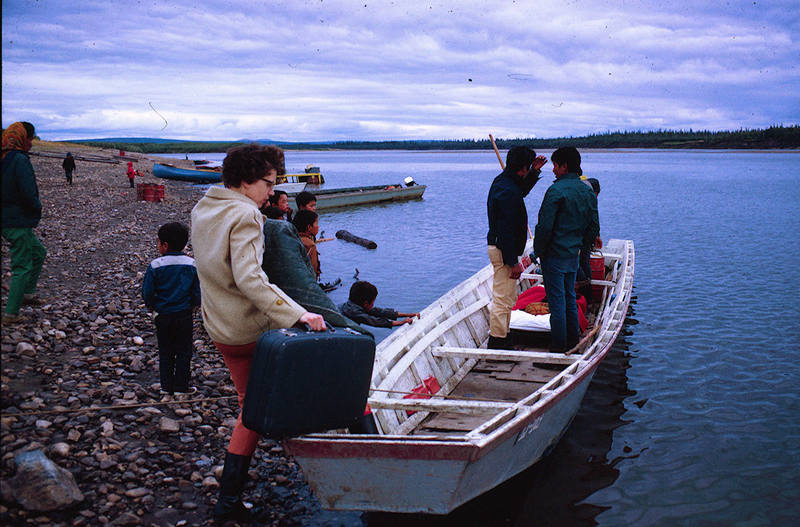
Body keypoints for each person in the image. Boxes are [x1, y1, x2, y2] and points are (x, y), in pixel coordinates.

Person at [190, 143, 325, 522]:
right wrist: (301, 314)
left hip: (219, 326)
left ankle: (231, 500)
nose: (272, 192)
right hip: (249, 330)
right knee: (307, 385)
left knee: (251, 407)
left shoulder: (204, 206)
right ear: (246, 180)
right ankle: (339, 457)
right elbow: (251, 280)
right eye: (268, 183)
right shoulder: (247, 216)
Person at [534, 147, 599, 352]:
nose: (553, 170)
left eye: (555, 165)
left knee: (557, 302)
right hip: (573, 254)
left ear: (564, 166)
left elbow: (544, 227)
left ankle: (559, 349)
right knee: (569, 297)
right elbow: (593, 226)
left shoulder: (556, 191)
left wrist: (539, 252)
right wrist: (581, 247)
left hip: (554, 256)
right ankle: (573, 341)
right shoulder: (587, 190)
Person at [485, 145, 547, 349]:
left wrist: (535, 172)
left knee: (508, 297)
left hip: (504, 249)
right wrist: (512, 262)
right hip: (504, 251)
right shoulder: (507, 191)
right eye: (528, 167)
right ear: (522, 168)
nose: (529, 170)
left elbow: (521, 189)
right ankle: (497, 341)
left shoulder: (505, 182)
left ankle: (504, 334)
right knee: (502, 299)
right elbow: (505, 230)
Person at [141, 222, 201, 397]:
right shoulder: (192, 264)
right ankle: (181, 388)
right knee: (184, 351)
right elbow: (197, 291)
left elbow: (148, 291)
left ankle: (166, 387)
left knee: (166, 350)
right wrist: (194, 305)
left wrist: (152, 306)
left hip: (163, 315)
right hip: (184, 315)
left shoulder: (156, 265)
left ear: (165, 245)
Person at [1, 122, 47, 324]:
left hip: (9, 219)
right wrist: (37, 207)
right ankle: (11, 314)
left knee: (38, 252)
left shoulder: (3, 156)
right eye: (30, 138)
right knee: (22, 266)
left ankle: (27, 293)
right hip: (16, 220)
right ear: (22, 138)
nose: (31, 143)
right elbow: (28, 192)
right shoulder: (19, 160)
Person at [339, 281, 419, 328]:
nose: (373, 304)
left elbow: (379, 312)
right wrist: (402, 322)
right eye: (373, 301)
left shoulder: (351, 305)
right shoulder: (353, 312)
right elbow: (374, 321)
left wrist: (409, 315)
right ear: (366, 303)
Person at [576, 177, 602, 302]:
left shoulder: (579, 189)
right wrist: (596, 236)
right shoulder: (589, 194)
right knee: (579, 261)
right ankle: (587, 293)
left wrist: (596, 236)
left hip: (579, 236)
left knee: (581, 261)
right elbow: (594, 218)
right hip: (580, 236)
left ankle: (585, 293)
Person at [292, 209, 321, 279]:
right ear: (309, 227)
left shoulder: (292, 238)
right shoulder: (310, 245)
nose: (318, 226)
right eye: (316, 223)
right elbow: (312, 270)